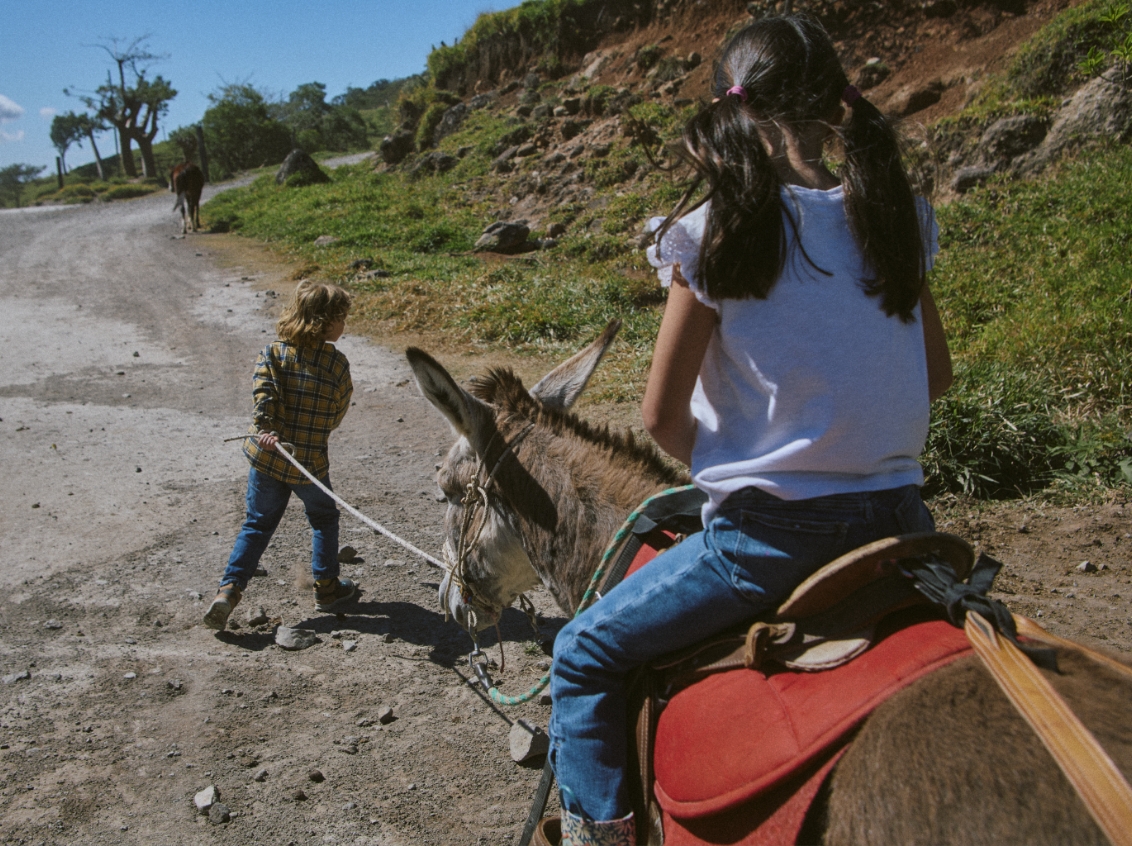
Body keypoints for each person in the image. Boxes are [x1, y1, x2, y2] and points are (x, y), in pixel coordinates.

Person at [545, 14, 953, 845]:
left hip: (770, 543)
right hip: (906, 525)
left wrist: (746, 464)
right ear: (836, 100)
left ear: (733, 103)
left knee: (581, 654)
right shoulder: (897, 214)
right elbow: (935, 377)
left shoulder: (711, 230)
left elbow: (660, 418)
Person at [203, 280, 357, 631]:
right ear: (325, 321)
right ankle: (327, 588)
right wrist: (314, 429)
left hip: (270, 457)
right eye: (342, 318)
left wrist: (268, 426)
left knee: (257, 523)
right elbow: (337, 412)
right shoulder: (337, 365)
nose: (344, 326)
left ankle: (228, 591)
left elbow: (264, 392)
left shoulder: (273, 353)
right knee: (323, 517)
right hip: (309, 463)